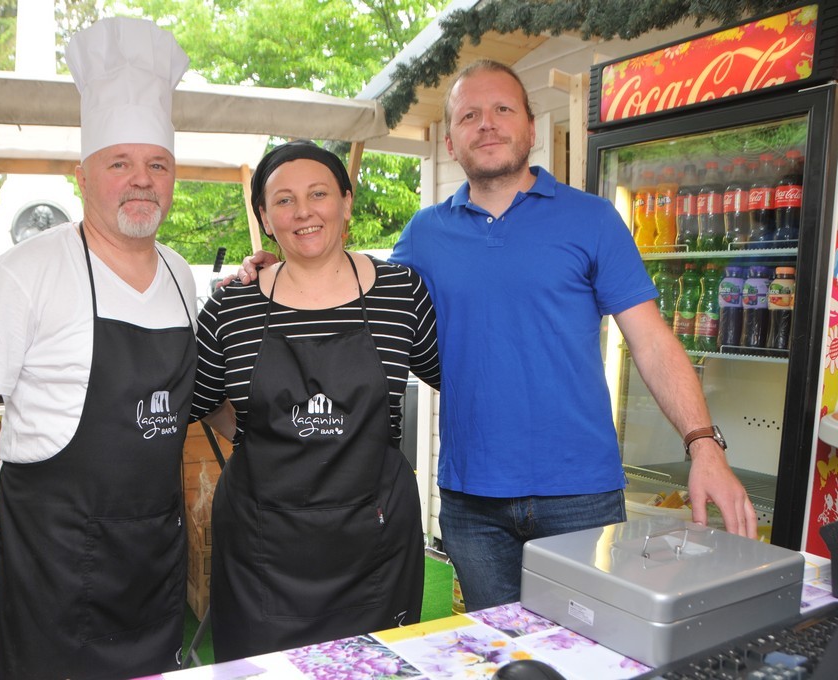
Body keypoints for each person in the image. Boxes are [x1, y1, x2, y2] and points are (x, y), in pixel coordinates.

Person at [232, 60, 759, 612]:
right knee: (501, 656)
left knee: (583, 654)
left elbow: (651, 341)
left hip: (579, 495)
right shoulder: (425, 234)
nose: (486, 124)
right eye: (469, 115)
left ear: (530, 128)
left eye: (502, 109)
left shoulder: (593, 220)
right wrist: (276, 268)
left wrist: (703, 445)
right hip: (470, 502)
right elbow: (348, 289)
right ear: (452, 141)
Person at [0, 18, 197, 678]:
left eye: (157, 164)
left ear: (172, 176)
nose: (141, 181)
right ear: (84, 176)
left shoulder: (180, 274)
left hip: (154, 561)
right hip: (60, 565)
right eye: (120, 164)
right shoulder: (25, 274)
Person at [190, 140, 442, 661]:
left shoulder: (401, 291)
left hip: (374, 539)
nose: (303, 211)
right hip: (263, 545)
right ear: (263, 215)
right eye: (283, 200)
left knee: (373, 669)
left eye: (318, 193)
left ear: (346, 202)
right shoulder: (231, 303)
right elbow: (203, 399)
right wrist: (250, 434)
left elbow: (455, 378)